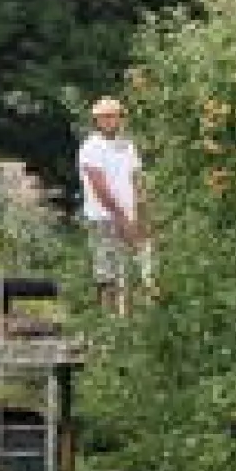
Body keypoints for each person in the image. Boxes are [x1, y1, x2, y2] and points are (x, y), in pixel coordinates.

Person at [77, 95, 150, 315]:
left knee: (133, 267)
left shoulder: (127, 145)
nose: (110, 121)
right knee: (106, 270)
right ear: (97, 120)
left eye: (114, 116)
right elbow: (99, 186)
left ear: (121, 118)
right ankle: (106, 321)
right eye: (105, 117)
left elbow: (137, 179)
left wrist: (143, 213)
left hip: (129, 215)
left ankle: (129, 319)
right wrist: (120, 216)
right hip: (103, 216)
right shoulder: (91, 147)